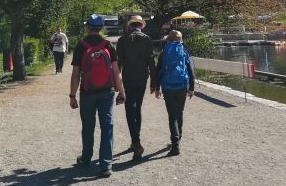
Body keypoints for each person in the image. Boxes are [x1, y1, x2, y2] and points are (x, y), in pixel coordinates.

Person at [69, 14, 126, 177]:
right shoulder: (108, 45)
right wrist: (121, 93)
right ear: (101, 28)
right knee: (107, 126)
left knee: (88, 126)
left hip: (87, 93)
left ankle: (86, 158)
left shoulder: (81, 46)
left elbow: (75, 74)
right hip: (107, 92)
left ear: (87, 27)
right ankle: (106, 165)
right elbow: (116, 73)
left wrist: (72, 95)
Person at [115, 15, 156, 161]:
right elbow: (152, 61)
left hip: (128, 78)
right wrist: (154, 82)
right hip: (142, 78)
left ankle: (136, 142)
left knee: (129, 109)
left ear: (130, 26)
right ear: (141, 26)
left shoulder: (122, 40)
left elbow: (118, 64)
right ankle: (134, 141)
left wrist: (116, 82)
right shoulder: (147, 39)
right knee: (137, 108)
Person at [152, 30, 195, 157]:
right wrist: (191, 88)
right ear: (180, 40)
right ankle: (179, 137)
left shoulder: (164, 52)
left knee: (172, 116)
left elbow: (159, 70)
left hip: (168, 87)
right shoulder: (184, 51)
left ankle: (175, 144)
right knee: (179, 113)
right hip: (182, 86)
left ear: (168, 40)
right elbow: (190, 70)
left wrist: (157, 87)